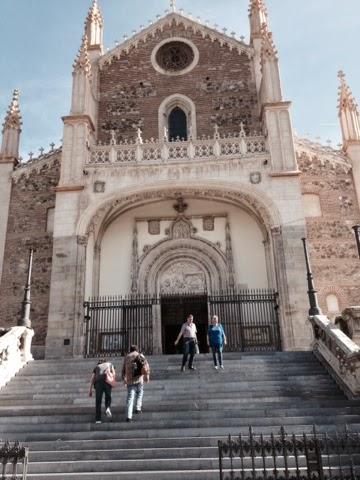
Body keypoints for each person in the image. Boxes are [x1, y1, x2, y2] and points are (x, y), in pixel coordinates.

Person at [122, 345, 150, 422]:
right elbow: (146, 366)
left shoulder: (127, 357)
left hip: (130, 381)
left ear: (130, 350)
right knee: (140, 393)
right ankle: (138, 408)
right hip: (139, 379)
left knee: (130, 398)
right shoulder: (140, 355)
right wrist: (147, 376)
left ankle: (129, 417)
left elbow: (123, 370)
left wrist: (124, 379)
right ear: (137, 349)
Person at [89, 358, 115, 424]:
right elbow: (114, 374)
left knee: (98, 401)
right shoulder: (110, 364)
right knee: (108, 397)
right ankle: (107, 408)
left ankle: (98, 419)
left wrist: (90, 389)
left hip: (98, 383)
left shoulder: (97, 367)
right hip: (107, 381)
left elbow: (92, 379)